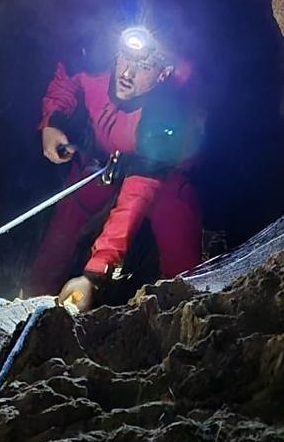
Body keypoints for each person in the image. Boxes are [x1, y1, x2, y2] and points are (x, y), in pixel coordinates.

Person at [28, 24, 203, 309]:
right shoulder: (96, 58)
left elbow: (136, 197)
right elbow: (67, 79)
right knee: (70, 213)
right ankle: (34, 298)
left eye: (143, 67)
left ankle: (183, 306)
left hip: (159, 177)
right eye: (125, 57)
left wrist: (93, 275)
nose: (126, 73)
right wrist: (52, 123)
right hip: (104, 163)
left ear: (163, 74)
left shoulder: (166, 113)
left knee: (175, 214)